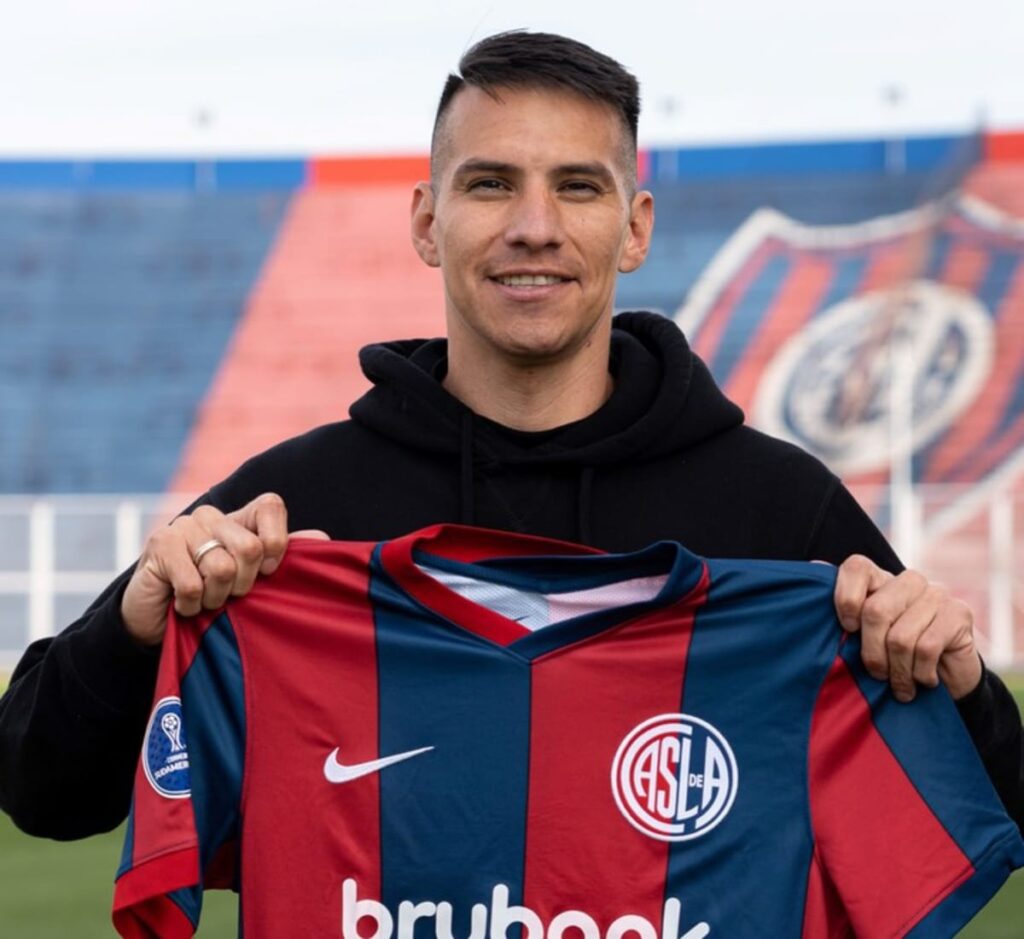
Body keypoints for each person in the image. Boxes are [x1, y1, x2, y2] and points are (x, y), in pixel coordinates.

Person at [0, 30, 1020, 842]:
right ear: (425, 221)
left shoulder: (777, 513)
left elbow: (993, 814)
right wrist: (136, 625)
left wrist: (957, 679)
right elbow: (42, 792)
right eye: (490, 184)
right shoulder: (290, 516)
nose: (533, 226)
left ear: (635, 227)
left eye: (577, 186)